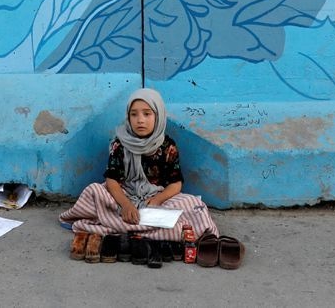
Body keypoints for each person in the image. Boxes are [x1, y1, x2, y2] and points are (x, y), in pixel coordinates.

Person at [60, 88, 219, 259]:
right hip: (124, 194)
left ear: (158, 116)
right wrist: (126, 205)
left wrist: (158, 200)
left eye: (147, 114)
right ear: (128, 117)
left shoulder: (167, 146)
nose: (140, 120)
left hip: (156, 197)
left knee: (193, 204)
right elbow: (112, 180)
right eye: (134, 114)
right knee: (94, 191)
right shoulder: (120, 144)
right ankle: (157, 231)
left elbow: (176, 184)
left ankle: (120, 227)